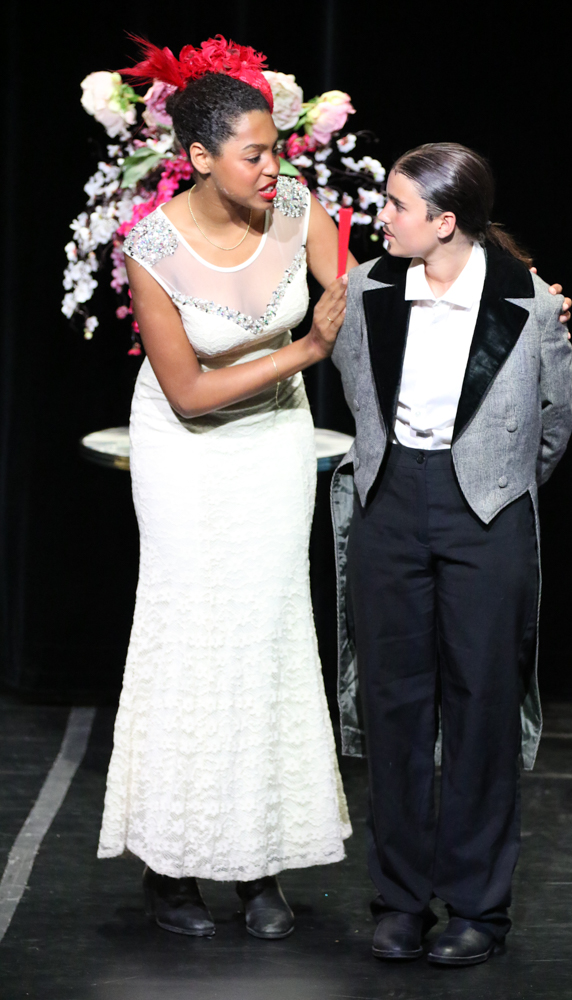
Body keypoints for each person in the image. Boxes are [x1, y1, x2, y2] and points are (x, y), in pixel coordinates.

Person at [97, 42, 352, 941]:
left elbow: (363, 300)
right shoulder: (151, 249)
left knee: (266, 635)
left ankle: (258, 862)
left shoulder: (297, 208)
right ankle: (169, 865)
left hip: (273, 442)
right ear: (200, 158)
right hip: (189, 451)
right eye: (254, 154)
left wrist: (511, 295)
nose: (273, 166)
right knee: (191, 639)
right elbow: (189, 392)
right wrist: (304, 351)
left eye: (276, 148)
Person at [331, 142, 572, 966]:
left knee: (481, 705)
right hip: (390, 501)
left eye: (396, 206)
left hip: (485, 509)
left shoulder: (527, 301)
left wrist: (497, 482)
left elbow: (553, 418)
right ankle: (400, 900)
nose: (381, 217)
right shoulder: (367, 288)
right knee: (394, 705)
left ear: (443, 222)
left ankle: (477, 907)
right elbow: (353, 384)